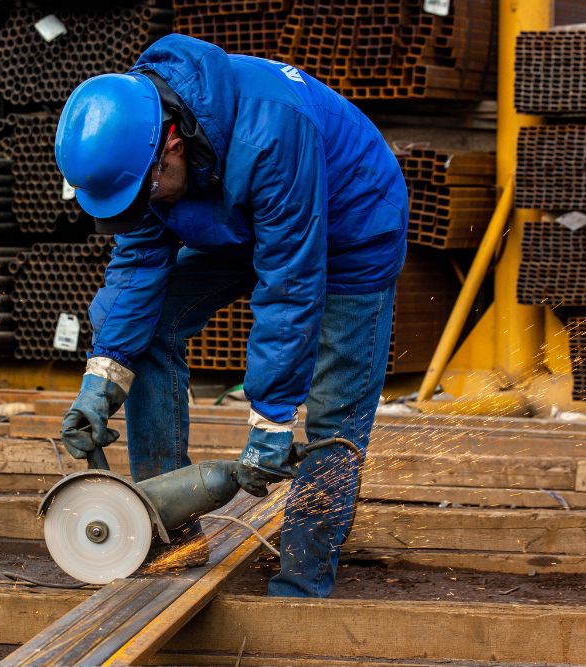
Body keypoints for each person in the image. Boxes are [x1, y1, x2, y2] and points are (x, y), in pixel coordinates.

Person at [53, 34, 408, 598]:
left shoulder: (271, 131)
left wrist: (270, 422)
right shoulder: (141, 147)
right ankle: (166, 532)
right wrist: (102, 377)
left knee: (334, 412)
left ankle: (302, 582)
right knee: (147, 332)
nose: (143, 207)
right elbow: (138, 268)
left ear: (171, 145)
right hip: (237, 212)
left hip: (349, 229)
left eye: (147, 193)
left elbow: (290, 289)